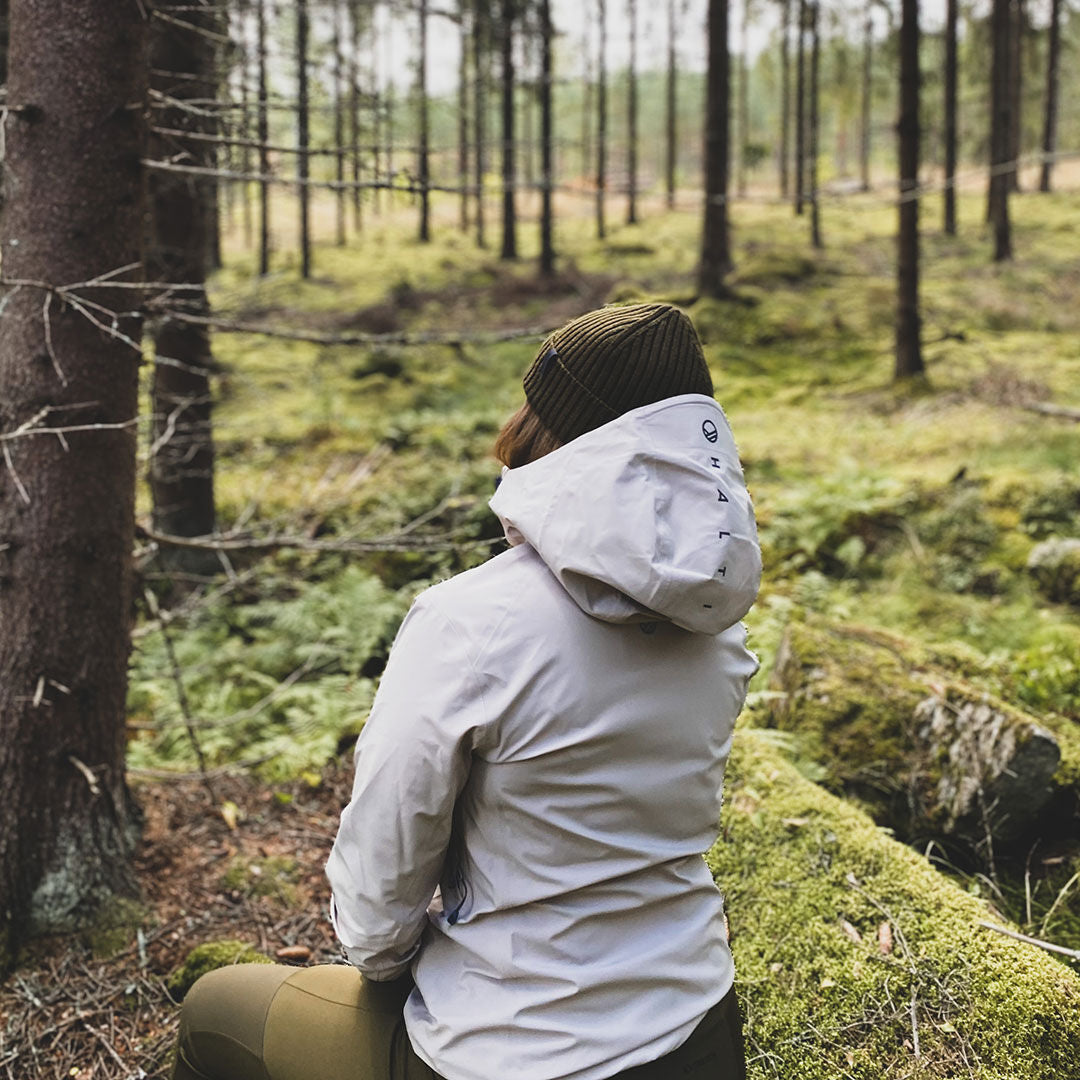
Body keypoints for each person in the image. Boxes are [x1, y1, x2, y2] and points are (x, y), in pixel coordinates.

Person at [171, 302, 761, 1080]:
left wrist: (396, 962)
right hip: (698, 1033)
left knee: (214, 1011)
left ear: (555, 439)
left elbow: (380, 900)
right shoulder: (720, 627)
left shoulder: (471, 623)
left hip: (513, 1050)